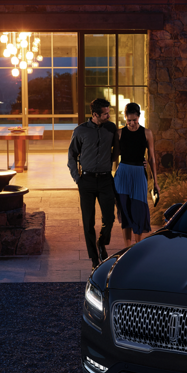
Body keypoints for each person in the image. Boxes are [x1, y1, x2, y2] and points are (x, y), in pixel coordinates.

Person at [68, 97, 120, 270]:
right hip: (87, 181)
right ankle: (94, 259)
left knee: (109, 218)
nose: (108, 116)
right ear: (95, 114)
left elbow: (119, 148)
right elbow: (72, 155)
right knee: (88, 221)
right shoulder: (80, 131)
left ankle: (102, 242)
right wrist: (77, 178)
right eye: (105, 114)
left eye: (108, 113)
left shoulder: (111, 128)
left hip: (106, 179)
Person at [113, 102, 159, 248]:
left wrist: (155, 182)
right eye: (129, 120)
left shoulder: (147, 133)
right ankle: (127, 249)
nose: (132, 123)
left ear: (139, 117)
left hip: (139, 174)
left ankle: (137, 248)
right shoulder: (119, 133)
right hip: (123, 175)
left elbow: (152, 158)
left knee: (139, 211)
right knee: (125, 211)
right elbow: (114, 156)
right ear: (125, 118)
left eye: (135, 120)